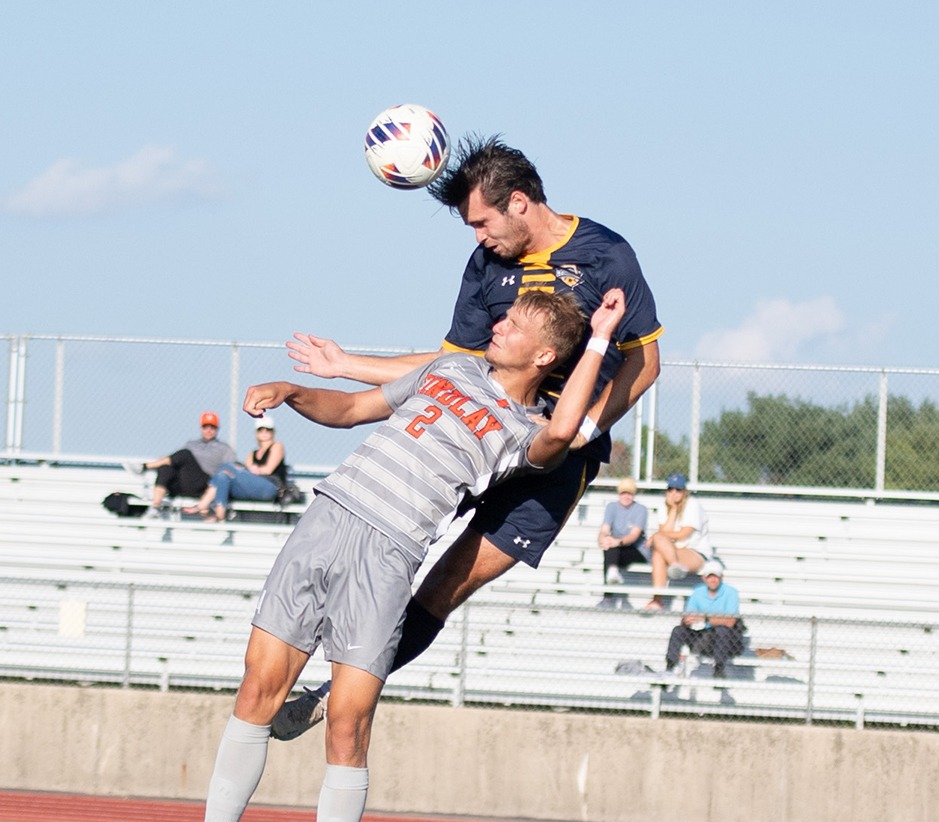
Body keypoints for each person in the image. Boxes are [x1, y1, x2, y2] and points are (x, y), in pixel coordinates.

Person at [181, 288, 621, 822]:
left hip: (389, 556)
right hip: (326, 522)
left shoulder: (525, 428)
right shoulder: (449, 371)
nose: (497, 323)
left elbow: (564, 434)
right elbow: (354, 408)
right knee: (257, 693)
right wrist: (294, 390)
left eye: (517, 323)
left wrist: (601, 337)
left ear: (545, 354)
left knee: (347, 727)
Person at [274, 137, 662, 739]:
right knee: (391, 550)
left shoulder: (607, 254)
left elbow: (645, 363)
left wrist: (582, 429)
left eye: (482, 221)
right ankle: (317, 673)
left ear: (519, 202)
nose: (478, 236)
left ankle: (329, 698)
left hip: (556, 460)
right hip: (476, 435)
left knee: (445, 585)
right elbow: (451, 364)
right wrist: (347, 363)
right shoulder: (487, 265)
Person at [188, 414, 289, 523]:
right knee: (223, 475)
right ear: (256, 432)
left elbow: (268, 470)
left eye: (268, 430)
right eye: (261, 430)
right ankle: (220, 515)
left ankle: (203, 504)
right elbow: (246, 469)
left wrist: (256, 470)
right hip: (253, 487)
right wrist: (251, 471)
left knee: (227, 466)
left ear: (272, 432)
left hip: (270, 486)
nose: (264, 432)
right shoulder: (253, 453)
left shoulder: (277, 446)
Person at [131, 411, 237, 513]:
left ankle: (145, 467)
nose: (209, 430)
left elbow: (231, 470)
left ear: (217, 429)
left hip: (204, 484)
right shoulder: (191, 444)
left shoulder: (224, 449)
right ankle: (155, 508)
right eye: (206, 427)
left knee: (185, 454)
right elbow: (176, 460)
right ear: (201, 428)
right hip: (185, 483)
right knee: (166, 467)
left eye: (212, 427)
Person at [644, 474, 714, 610]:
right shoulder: (664, 506)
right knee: (658, 552)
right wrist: (674, 510)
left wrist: (656, 536)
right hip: (673, 553)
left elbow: (683, 534)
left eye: (678, 489)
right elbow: (666, 533)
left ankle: (658, 599)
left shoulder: (692, 504)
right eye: (670, 489)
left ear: (684, 491)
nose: (673, 493)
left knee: (658, 542)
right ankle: (658, 599)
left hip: (696, 553)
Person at [663, 561, 742, 679]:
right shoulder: (697, 592)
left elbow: (730, 622)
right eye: (709, 577)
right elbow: (688, 616)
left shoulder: (730, 592)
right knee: (678, 630)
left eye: (716, 576)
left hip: (723, 639)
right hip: (702, 636)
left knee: (722, 630)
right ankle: (670, 667)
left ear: (721, 578)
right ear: (704, 578)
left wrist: (705, 619)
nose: (713, 580)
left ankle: (719, 669)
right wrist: (687, 621)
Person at [596, 476, 649, 608]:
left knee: (612, 548)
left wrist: (616, 542)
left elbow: (634, 536)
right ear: (619, 494)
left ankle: (608, 596)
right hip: (618, 549)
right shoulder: (612, 507)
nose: (626, 496)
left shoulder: (641, 509)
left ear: (633, 495)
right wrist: (602, 539)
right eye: (623, 493)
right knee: (609, 547)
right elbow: (604, 529)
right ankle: (612, 574)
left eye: (629, 493)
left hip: (637, 550)